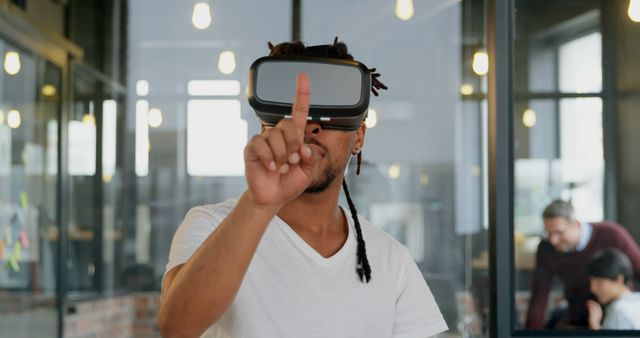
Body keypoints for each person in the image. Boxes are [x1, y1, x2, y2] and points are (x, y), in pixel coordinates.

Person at [158, 39, 448, 338]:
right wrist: (258, 205)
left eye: (332, 109)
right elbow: (177, 327)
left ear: (358, 137)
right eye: (294, 112)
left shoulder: (389, 258)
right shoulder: (211, 226)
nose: (310, 126)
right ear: (264, 129)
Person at [525, 199, 640, 329]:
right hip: (578, 321)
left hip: (615, 320)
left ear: (576, 224)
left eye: (559, 232)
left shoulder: (612, 234)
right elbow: (539, 297)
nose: (553, 240)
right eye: (548, 233)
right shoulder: (546, 249)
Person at [586, 248, 640, 330]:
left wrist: (595, 327)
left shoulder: (618, 310)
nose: (593, 289)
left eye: (599, 283)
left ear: (619, 279)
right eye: (591, 283)